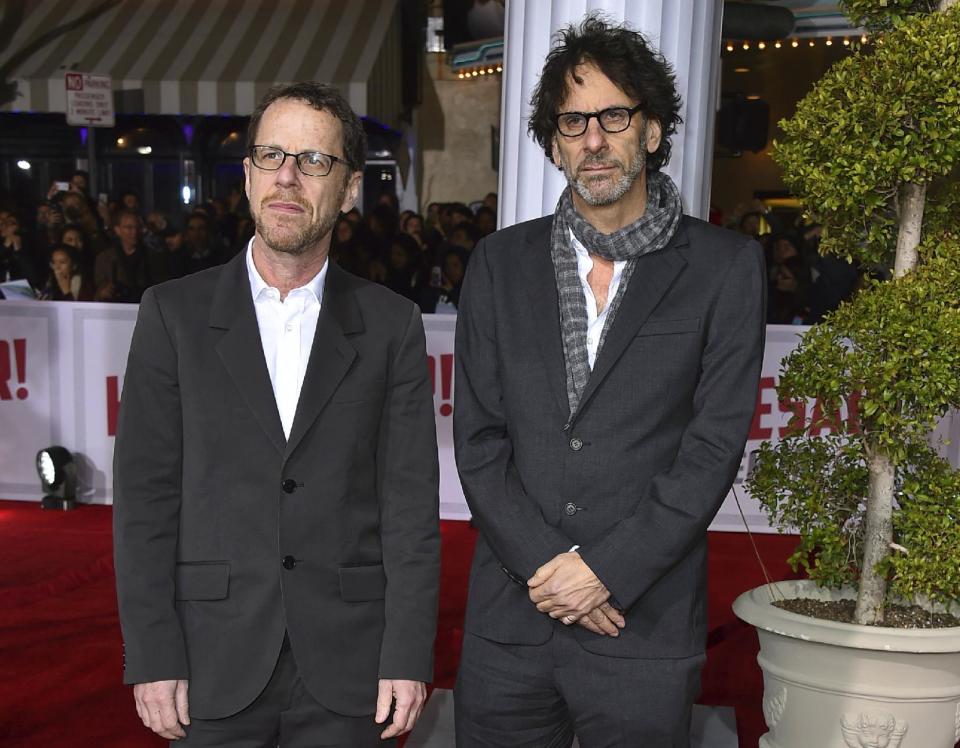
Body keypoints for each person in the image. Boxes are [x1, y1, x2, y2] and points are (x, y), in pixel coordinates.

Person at [452, 16, 766, 747]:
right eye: (572, 121)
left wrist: (606, 571)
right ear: (554, 142)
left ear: (652, 131)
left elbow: (711, 446)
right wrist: (551, 569)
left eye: (614, 116)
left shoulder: (723, 270)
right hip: (511, 626)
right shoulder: (498, 266)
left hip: (642, 627)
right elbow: (479, 440)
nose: (593, 139)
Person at [113, 81, 441, 747]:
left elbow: (409, 505)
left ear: (349, 188)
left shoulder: (391, 326)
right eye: (271, 156)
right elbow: (144, 500)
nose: (288, 177)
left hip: (350, 666)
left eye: (314, 161)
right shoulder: (172, 315)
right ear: (247, 174)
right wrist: (152, 653)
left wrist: (407, 652)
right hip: (210, 661)